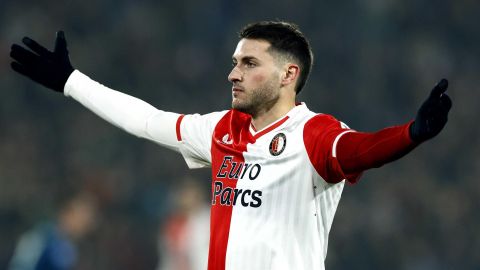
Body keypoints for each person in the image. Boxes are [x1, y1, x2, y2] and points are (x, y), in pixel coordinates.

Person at [9, 21, 452, 270]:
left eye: (248, 63)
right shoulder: (222, 130)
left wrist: (411, 134)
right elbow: (146, 120)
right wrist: (71, 81)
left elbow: (361, 150)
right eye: (234, 62)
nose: (233, 73)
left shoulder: (314, 134)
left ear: (288, 75)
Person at [8, 192, 98, 270]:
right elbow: (21, 264)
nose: (83, 225)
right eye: (81, 218)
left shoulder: (70, 248)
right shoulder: (42, 235)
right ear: (68, 213)